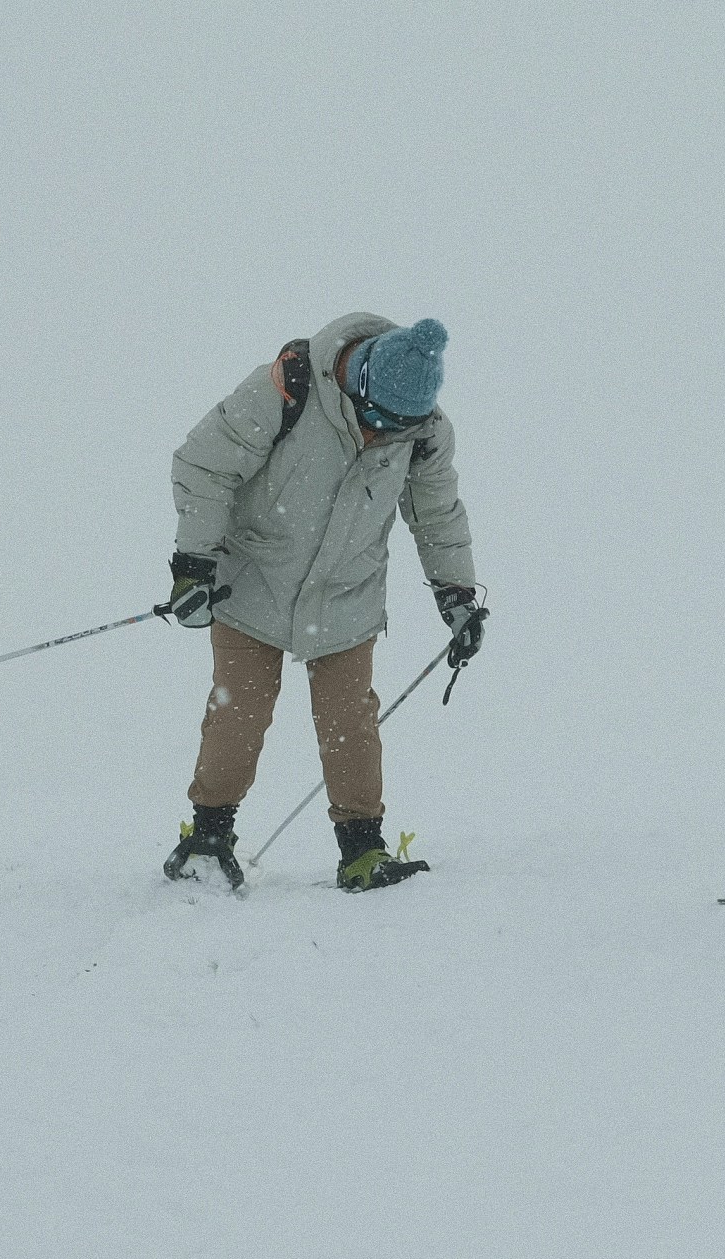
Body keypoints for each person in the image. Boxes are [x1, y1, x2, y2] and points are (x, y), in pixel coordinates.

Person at [160, 312, 483, 891]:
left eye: (397, 427)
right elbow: (204, 464)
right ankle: (208, 837)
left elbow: (437, 514)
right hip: (252, 581)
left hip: (346, 595)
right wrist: (194, 566)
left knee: (350, 722)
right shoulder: (287, 388)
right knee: (238, 713)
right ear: (359, 382)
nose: (380, 434)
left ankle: (362, 849)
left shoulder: (425, 433)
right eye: (375, 418)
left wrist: (457, 595)